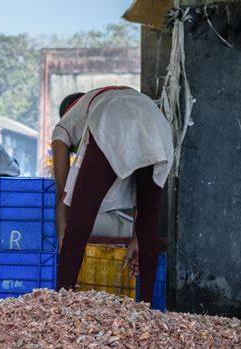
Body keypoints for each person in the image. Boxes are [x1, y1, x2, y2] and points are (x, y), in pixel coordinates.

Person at [51, 87, 173, 303]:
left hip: (112, 119)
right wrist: (138, 237)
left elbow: (59, 142)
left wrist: (64, 219)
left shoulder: (73, 115)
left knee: (80, 222)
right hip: (157, 125)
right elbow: (142, 200)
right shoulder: (116, 97)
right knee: (149, 222)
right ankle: (146, 308)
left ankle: (61, 302)